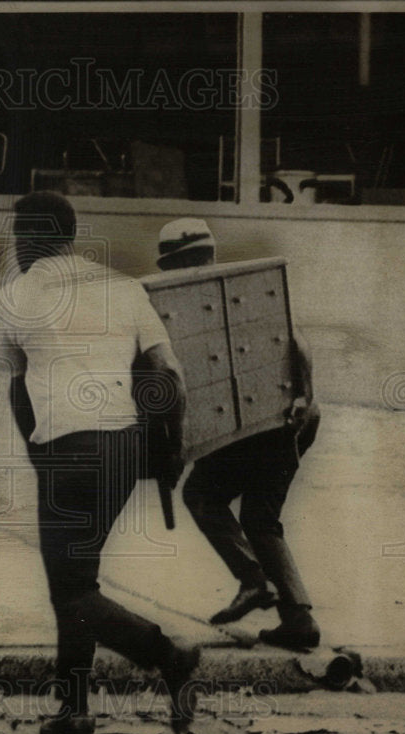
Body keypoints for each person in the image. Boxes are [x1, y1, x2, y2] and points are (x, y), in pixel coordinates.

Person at [0, 191, 201, 734]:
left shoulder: (14, 295)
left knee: (70, 591)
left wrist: (39, 457)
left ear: (33, 237)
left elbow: (19, 389)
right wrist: (170, 451)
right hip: (123, 448)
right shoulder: (123, 287)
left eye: (18, 236)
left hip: (67, 449)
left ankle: (168, 655)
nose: (15, 247)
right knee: (78, 581)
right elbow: (169, 378)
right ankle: (74, 710)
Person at [156, 220, 323, 650]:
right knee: (261, 518)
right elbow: (295, 339)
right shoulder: (240, 291)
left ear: (170, 262)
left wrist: (173, 450)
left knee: (201, 495)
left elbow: (172, 380)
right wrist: (306, 395)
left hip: (260, 425)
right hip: (292, 420)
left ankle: (254, 581)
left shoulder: (175, 302)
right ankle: (298, 620)